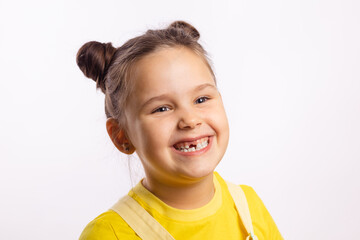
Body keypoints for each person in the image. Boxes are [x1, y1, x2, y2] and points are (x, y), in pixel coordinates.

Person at [76, 20, 283, 240]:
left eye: (201, 99)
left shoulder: (248, 208)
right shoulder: (110, 234)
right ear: (121, 136)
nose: (190, 120)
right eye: (162, 108)